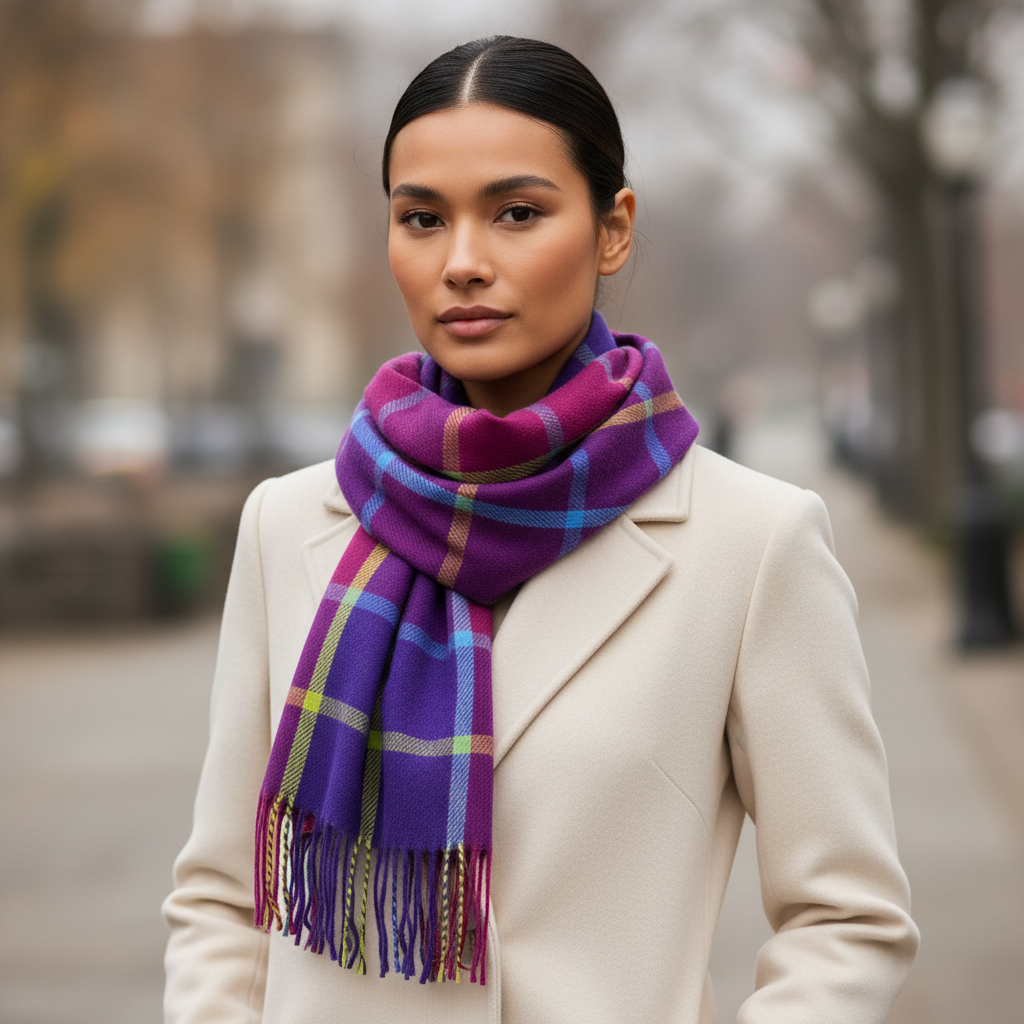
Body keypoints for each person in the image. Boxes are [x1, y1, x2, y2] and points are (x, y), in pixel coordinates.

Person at [163, 35, 919, 1024]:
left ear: (612, 231)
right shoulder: (290, 522)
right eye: (421, 218)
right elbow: (223, 894)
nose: (464, 262)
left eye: (517, 213)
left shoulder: (753, 541)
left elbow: (845, 915)